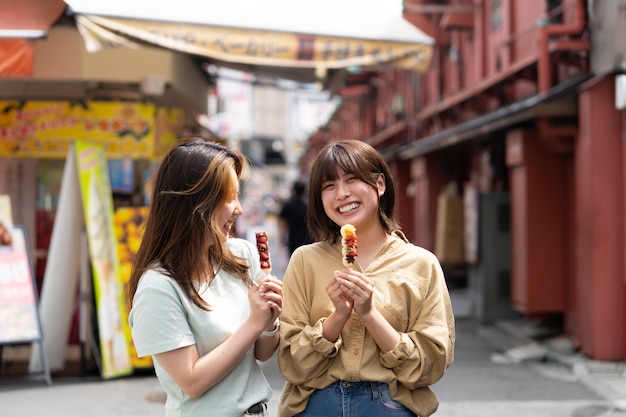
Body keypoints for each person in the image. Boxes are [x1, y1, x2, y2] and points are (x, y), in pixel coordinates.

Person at [277, 139, 455, 417]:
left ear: (380, 184)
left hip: (389, 404)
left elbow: (430, 364)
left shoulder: (421, 263)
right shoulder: (305, 260)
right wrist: (337, 317)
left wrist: (370, 314)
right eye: (329, 186)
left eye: (351, 180)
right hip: (316, 404)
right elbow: (291, 362)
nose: (342, 194)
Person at [126, 137, 283, 417]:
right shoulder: (159, 287)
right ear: (195, 204)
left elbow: (262, 352)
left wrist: (270, 321)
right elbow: (192, 382)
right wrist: (254, 323)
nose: (239, 209)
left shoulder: (244, 256)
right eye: (229, 197)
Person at [278, 180, 312, 256]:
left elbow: (282, 223)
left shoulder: (288, 205)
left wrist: (282, 238)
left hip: (293, 240)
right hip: (308, 239)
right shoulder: (308, 205)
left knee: (294, 263)